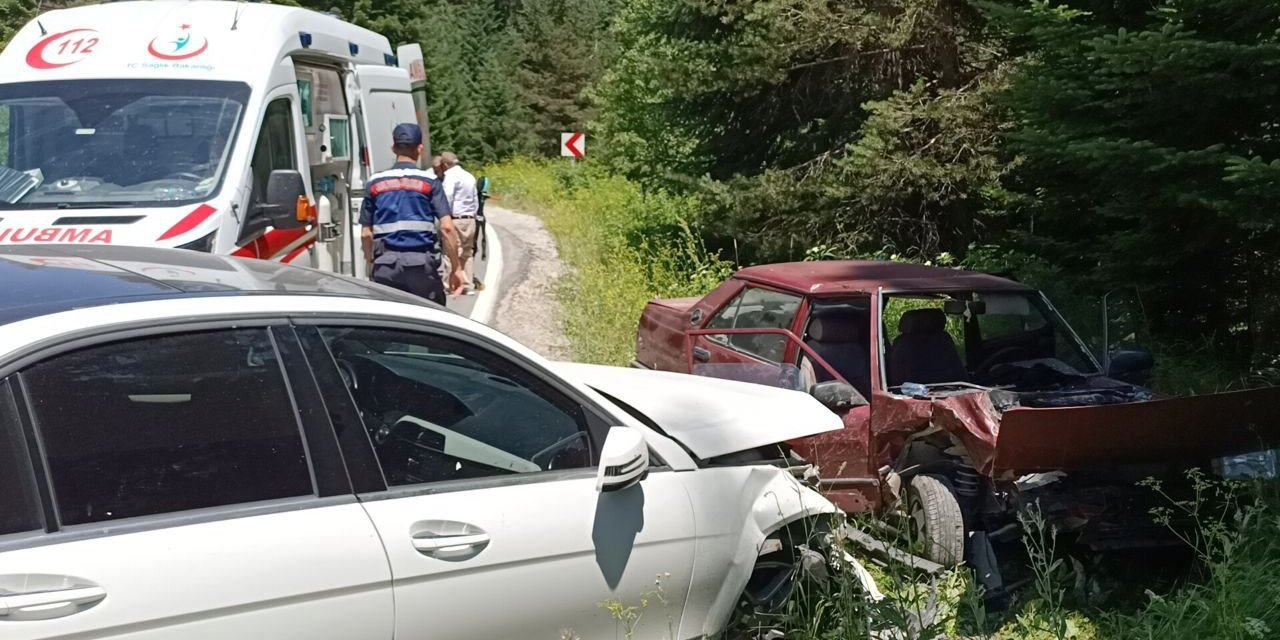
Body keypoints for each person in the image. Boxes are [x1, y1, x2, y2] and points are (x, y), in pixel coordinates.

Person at [360, 124, 463, 305]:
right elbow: (447, 227)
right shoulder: (430, 181)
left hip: (386, 265)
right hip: (421, 266)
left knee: (390, 323)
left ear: (393, 148)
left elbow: (366, 234)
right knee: (431, 321)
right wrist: (456, 268)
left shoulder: (374, 182)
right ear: (420, 149)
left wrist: (371, 261)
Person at [439, 151, 480, 295]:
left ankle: (449, 285)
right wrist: (474, 215)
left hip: (455, 218)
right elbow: (475, 199)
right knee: (467, 253)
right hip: (470, 218)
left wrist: (445, 216)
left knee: (451, 251)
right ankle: (467, 284)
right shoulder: (469, 176)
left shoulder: (450, 176)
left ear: (444, 164)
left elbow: (448, 196)